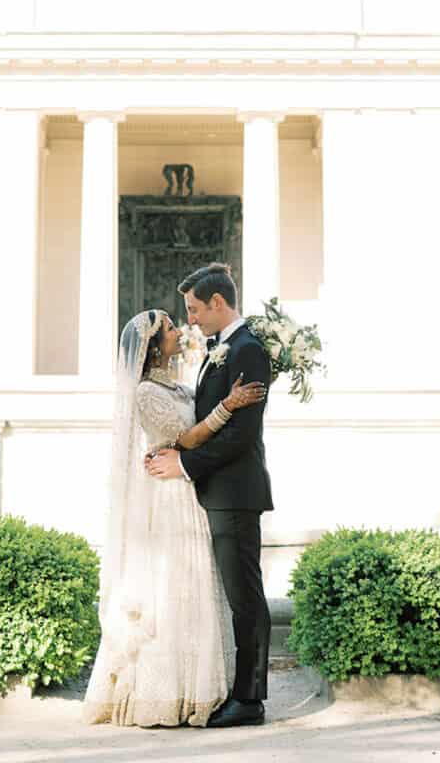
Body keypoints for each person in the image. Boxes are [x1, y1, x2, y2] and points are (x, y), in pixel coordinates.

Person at [82, 308, 266, 728]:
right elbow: (185, 437)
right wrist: (230, 405)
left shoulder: (179, 385)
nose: (178, 330)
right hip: (167, 500)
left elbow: (195, 425)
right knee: (170, 589)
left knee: (195, 587)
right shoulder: (146, 391)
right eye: (169, 327)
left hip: (190, 492)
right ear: (152, 345)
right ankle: (162, 694)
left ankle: (197, 689)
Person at [146, 262, 273, 728]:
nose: (192, 320)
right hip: (217, 492)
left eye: (196, 309)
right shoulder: (223, 349)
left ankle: (250, 700)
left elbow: (241, 437)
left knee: (246, 596)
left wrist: (182, 464)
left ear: (218, 303)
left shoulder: (247, 351)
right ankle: (241, 693)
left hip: (236, 492)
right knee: (238, 595)